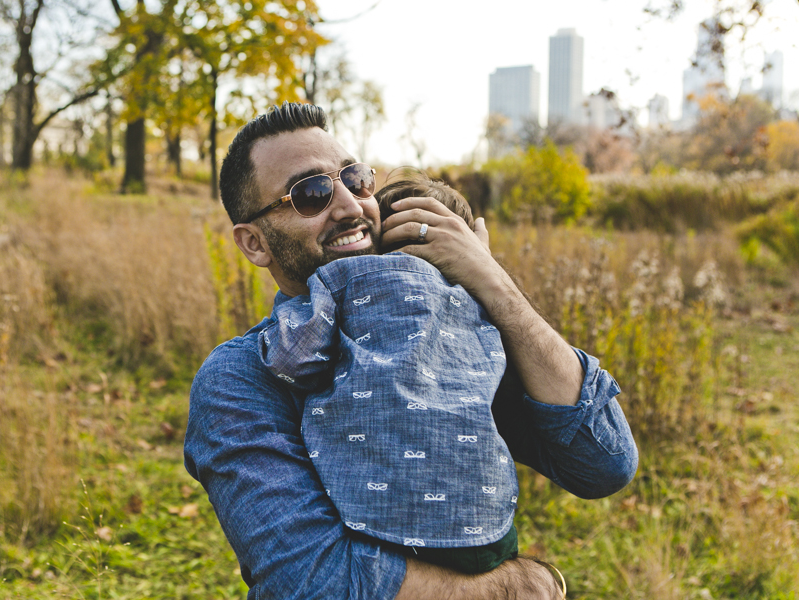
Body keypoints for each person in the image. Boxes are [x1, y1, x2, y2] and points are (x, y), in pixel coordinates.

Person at [183, 102, 638, 600]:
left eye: (355, 180)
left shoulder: (446, 337)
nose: (352, 207)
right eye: (311, 194)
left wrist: (493, 283)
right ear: (254, 244)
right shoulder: (243, 377)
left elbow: (603, 462)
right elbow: (313, 581)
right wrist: (522, 587)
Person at [257, 174, 521, 576]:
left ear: (380, 232)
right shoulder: (480, 297)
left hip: (379, 519)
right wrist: (484, 268)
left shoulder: (346, 279)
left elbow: (295, 358)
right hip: (486, 519)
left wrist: (286, 316)